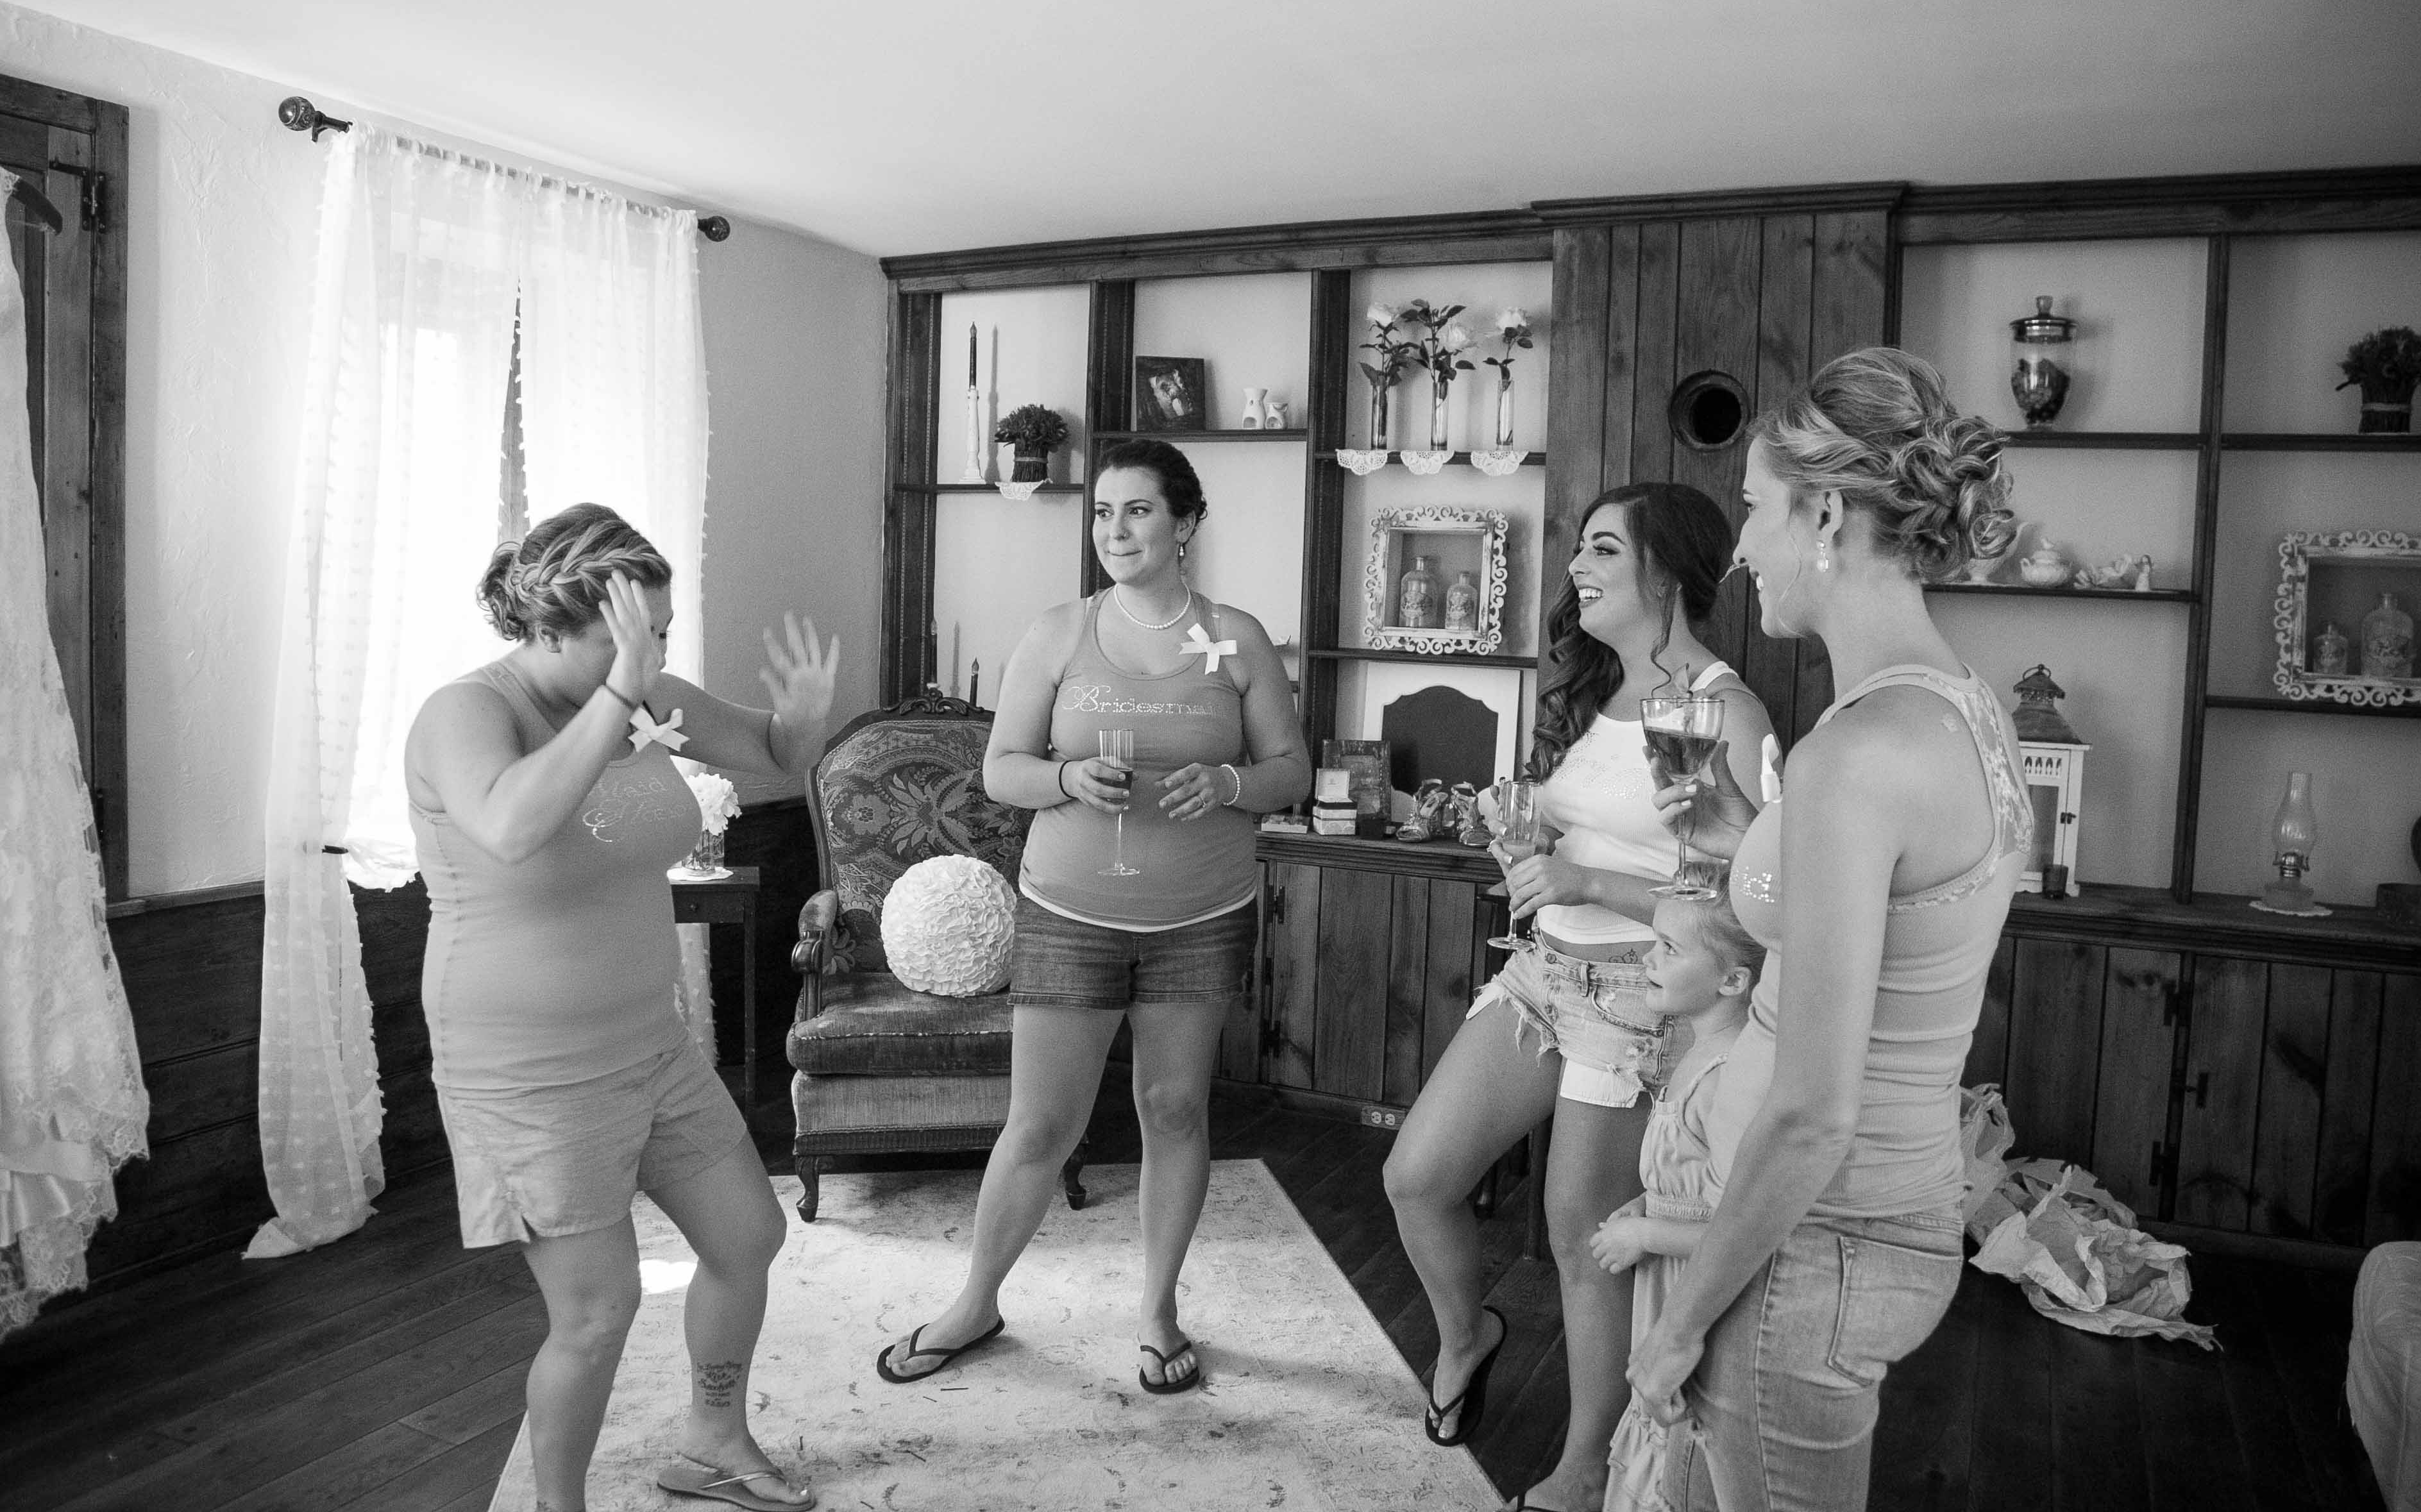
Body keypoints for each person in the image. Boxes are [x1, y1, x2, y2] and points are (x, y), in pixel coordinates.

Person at [1628, 348, 2030, 1512]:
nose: (1740, 550)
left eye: (1755, 509)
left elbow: (1812, 1112)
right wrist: (1740, 837)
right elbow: (1872, 935)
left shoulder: (1856, 754)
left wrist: (1680, 1323)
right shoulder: (1962, 709)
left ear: (1825, 516)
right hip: (1867, 1220)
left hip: (1809, 1247)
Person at [405, 502, 840, 1512]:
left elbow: (774, 753)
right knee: (598, 1312)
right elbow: (511, 825)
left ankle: (713, 1443)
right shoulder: (465, 713)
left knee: (747, 1237)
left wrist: (805, 718)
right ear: (549, 629)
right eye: (631, 638)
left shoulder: (643, 694)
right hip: (525, 1068)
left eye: (663, 633)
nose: (653, 658)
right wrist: (622, 692)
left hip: (650, 1038)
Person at [878, 437, 1308, 1396]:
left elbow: (1291, 771)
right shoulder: (1058, 633)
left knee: (1174, 1109)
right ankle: (975, 1302)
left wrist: (1231, 782)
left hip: (1202, 914)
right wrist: (1068, 776)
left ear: (1186, 522)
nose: (1115, 530)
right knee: (1040, 1125)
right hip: (1070, 910)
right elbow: (1002, 770)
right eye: (1105, 512)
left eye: (1139, 510)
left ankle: (1157, 1310)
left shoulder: (1236, 637)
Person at [1384, 483, 1777, 1512]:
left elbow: (1737, 905)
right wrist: (1528, 847)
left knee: (1578, 1233)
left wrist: (1588, 882)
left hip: (1636, 997)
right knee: (1417, 1176)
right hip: (1541, 973)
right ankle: (1469, 1336)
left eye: (1604, 548)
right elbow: (1586, 835)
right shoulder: (1598, 690)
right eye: (1581, 549)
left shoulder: (1712, 709)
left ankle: (1586, 1463)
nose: (1577, 567)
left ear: (1667, 571)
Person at [1588, 896, 1765, 1512]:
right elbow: (1693, 1177)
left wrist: (1645, 1236)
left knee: (1684, 1436)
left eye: (1670, 948)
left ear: (1733, 981)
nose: (1648, 957)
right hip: (1669, 1278)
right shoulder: (1698, 1050)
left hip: (1703, 1291)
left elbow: (1746, 1228)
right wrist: (1647, 1203)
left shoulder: (1727, 1076)